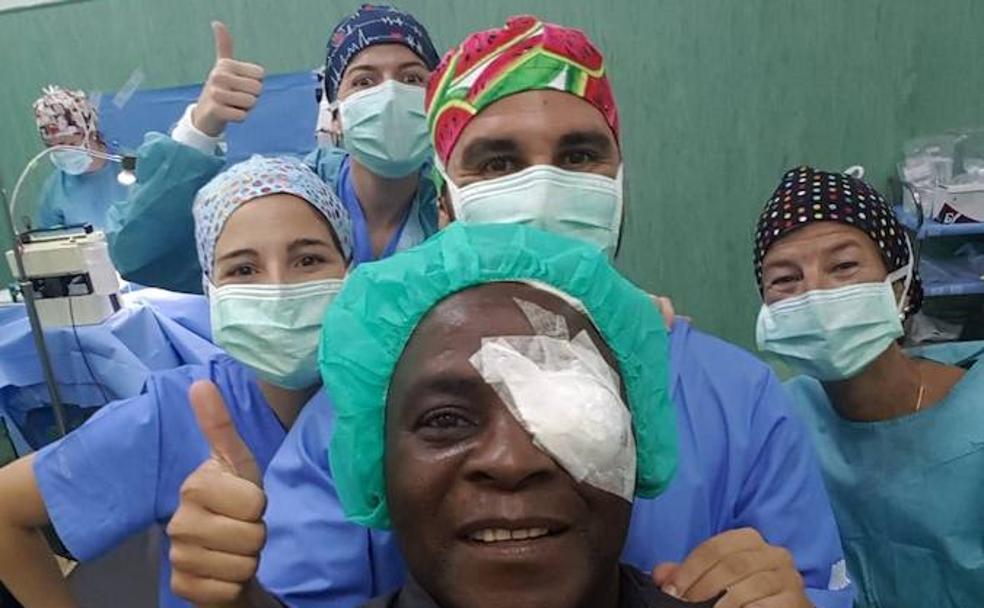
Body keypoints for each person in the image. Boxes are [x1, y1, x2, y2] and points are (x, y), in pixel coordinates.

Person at [248, 17, 852, 608]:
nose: (541, 185)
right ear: (445, 202)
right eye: (498, 163)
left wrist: (782, 594)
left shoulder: (736, 399)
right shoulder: (377, 404)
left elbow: (812, 580)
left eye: (578, 155)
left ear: (619, 183)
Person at [0, 155, 353, 608]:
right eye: (243, 270)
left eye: (308, 259)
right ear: (211, 289)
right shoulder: (175, 415)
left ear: (350, 271)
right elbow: (6, 510)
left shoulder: (394, 402)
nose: (279, 289)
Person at [754, 166, 984, 607]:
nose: (814, 293)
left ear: (900, 285)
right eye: (785, 279)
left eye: (843, 266)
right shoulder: (777, 423)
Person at [106, 4, 441, 294]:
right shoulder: (287, 195)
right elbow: (140, 256)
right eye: (363, 81)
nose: (391, 95)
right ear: (335, 114)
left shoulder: (457, 199)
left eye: (411, 79)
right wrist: (199, 130)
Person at [30, 85, 131, 231]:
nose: (65, 151)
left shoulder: (133, 167)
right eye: (55, 146)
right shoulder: (55, 190)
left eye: (71, 143)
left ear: (91, 133)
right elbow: (49, 245)